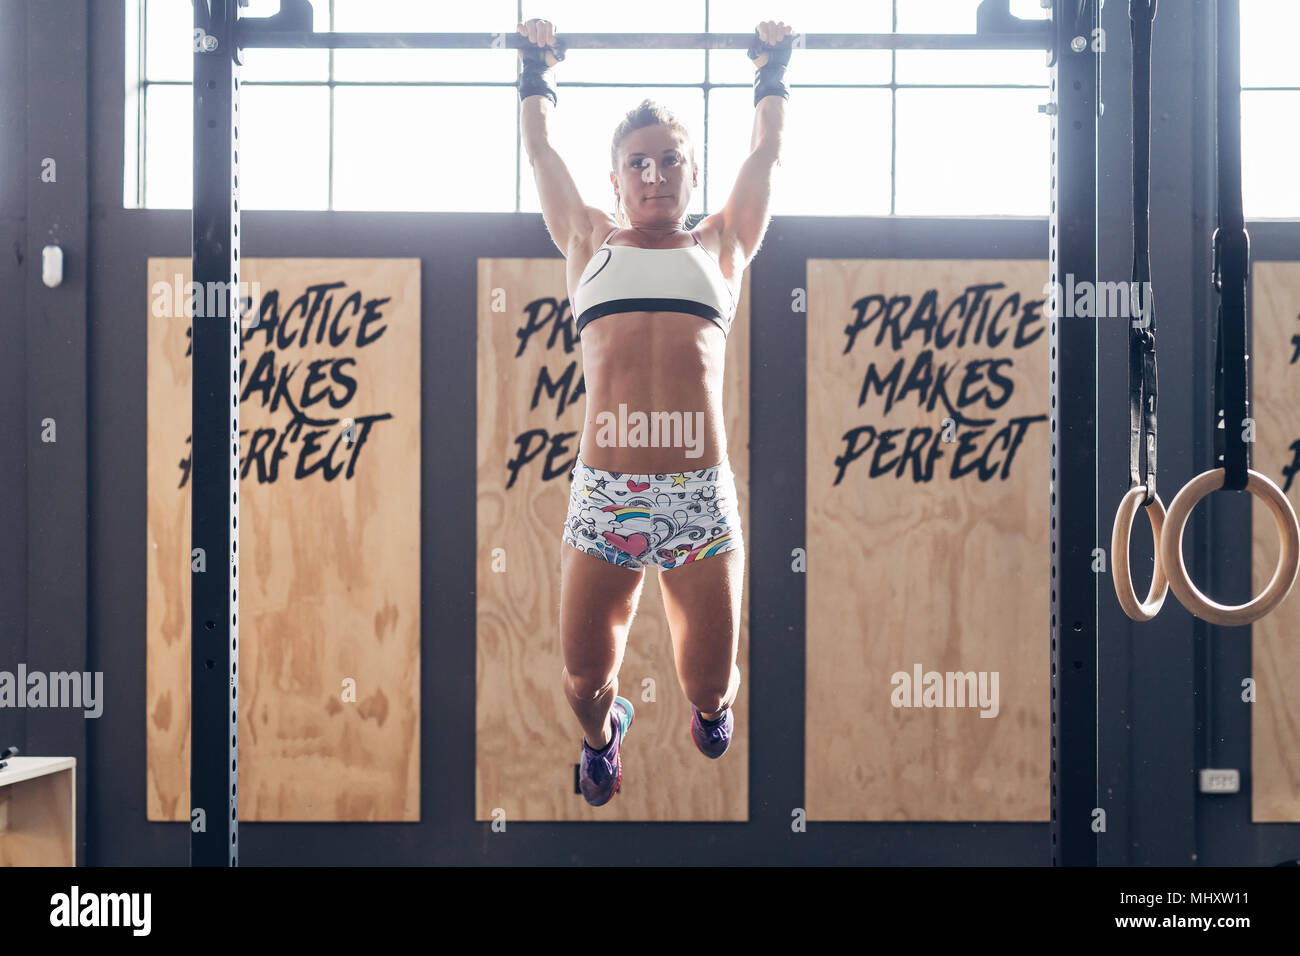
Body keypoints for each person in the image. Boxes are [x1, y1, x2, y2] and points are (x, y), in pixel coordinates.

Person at [517, 16, 793, 806]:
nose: (654, 174)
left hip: (697, 497)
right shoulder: (587, 241)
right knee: (580, 680)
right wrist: (537, 70)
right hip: (605, 494)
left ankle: (714, 707)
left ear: (691, 174)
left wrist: (773, 69)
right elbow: (541, 149)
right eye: (637, 163)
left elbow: (766, 151)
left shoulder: (722, 248)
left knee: (708, 689)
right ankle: (604, 740)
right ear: (616, 181)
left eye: (670, 161)